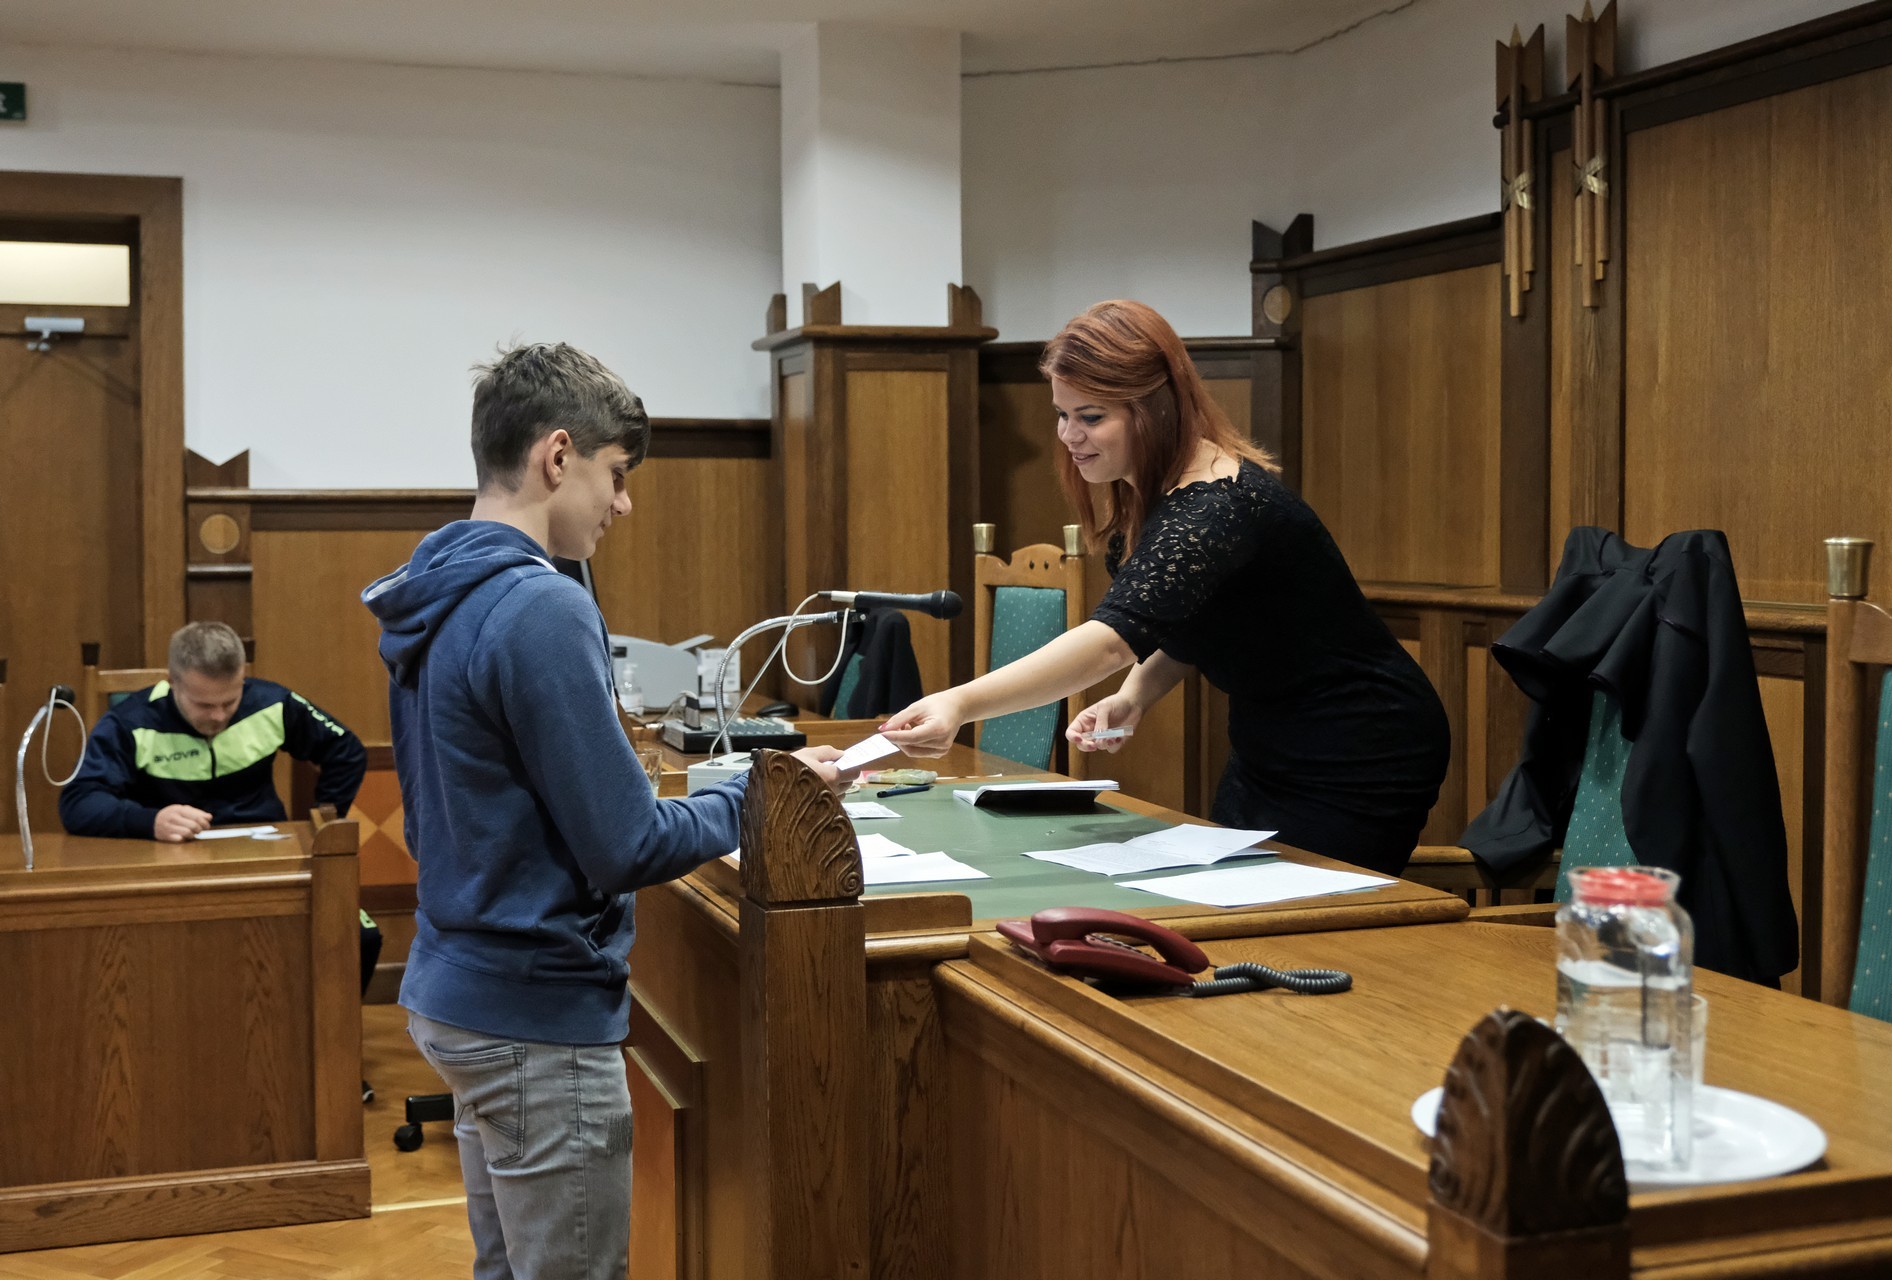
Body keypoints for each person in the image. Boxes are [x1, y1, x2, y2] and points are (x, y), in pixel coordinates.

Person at [363, 342, 843, 1280]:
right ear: (557, 456)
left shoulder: (440, 581)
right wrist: (765, 788)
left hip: (459, 983)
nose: (623, 504)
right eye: (617, 475)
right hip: (535, 1013)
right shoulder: (538, 605)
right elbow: (625, 845)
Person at [883, 300, 1449, 875]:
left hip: (1362, 743)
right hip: (1271, 742)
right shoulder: (1159, 495)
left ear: (1154, 409)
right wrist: (1134, 696)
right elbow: (1193, 624)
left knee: (1294, 916)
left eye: (1091, 417)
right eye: (1062, 414)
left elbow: (1109, 643)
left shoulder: (1214, 508)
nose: (1070, 436)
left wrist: (958, 703)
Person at [58, 620, 381, 995]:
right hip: (170, 868)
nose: (219, 716)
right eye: (204, 704)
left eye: (230, 701)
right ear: (172, 682)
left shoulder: (271, 702)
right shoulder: (129, 722)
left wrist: (319, 824)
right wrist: (150, 820)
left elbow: (346, 752)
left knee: (360, 936)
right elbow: (79, 802)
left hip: (264, 861)